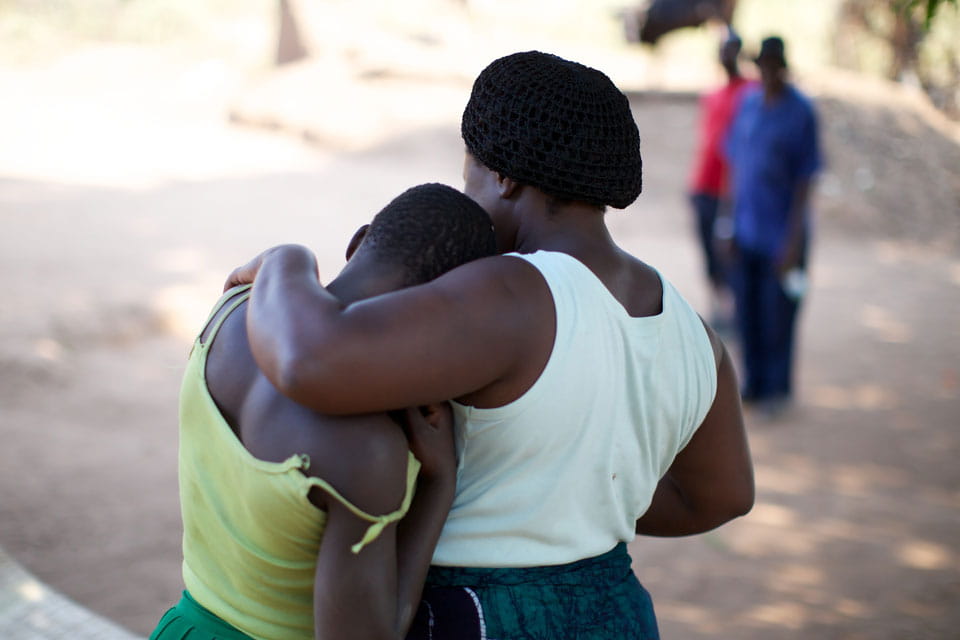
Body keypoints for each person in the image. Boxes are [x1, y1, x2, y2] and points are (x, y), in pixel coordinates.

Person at [229, 51, 754, 639]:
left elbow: (308, 360)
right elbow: (724, 496)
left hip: (479, 615)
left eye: (468, 178)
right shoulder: (693, 333)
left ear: (503, 176)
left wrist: (284, 261)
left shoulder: (514, 290)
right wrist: (574, 498)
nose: (466, 197)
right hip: (616, 611)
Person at [149, 183, 497, 640]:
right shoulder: (367, 446)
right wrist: (440, 480)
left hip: (182, 627)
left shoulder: (231, 311)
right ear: (445, 315)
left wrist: (286, 258)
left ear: (358, 242)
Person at [724, 36, 822, 417]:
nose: (765, 71)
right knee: (746, 312)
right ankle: (755, 383)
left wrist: (793, 242)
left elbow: (805, 181)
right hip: (746, 229)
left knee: (777, 315)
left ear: (782, 66)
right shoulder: (748, 105)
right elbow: (735, 168)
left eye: (772, 65)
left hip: (782, 236)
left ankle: (777, 390)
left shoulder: (801, 112)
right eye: (760, 64)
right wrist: (726, 223)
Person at [688, 29, 753, 330]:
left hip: (731, 190)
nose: (725, 56)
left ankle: (736, 310)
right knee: (709, 253)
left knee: (730, 252)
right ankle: (719, 309)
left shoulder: (751, 91)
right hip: (703, 186)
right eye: (721, 49)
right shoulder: (711, 95)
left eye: (731, 49)